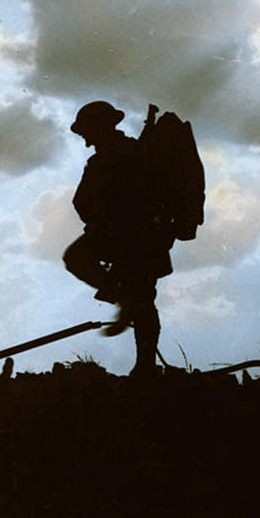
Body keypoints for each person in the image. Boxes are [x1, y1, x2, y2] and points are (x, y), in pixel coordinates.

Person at [64, 101, 174, 378]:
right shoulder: (109, 157)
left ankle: (145, 365)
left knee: (143, 299)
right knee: (140, 298)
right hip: (118, 237)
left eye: (87, 130)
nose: (85, 138)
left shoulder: (128, 154)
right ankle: (126, 304)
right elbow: (83, 202)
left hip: (138, 239)